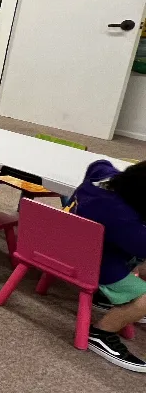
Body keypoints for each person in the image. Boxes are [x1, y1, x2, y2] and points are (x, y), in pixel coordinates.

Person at [70, 159, 146, 372]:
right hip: (98, 266)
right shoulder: (123, 219)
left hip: (68, 247)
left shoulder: (101, 175)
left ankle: (129, 303)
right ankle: (101, 333)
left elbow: (98, 162)